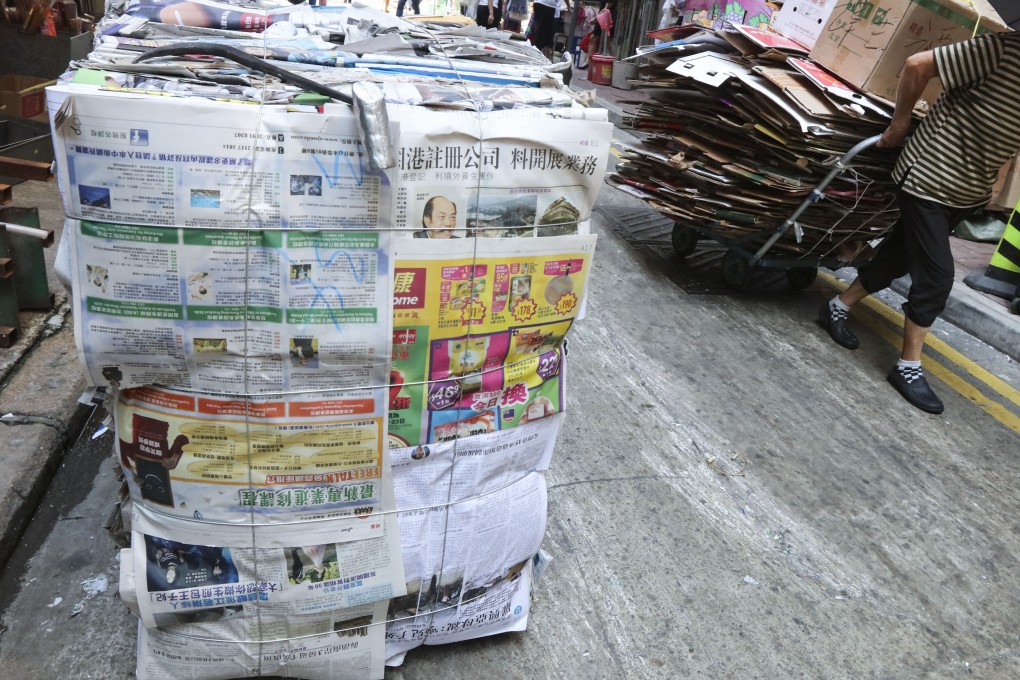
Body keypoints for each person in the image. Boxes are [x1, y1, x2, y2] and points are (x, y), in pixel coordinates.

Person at [817, 30, 1020, 414]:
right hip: (927, 177)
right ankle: (907, 365)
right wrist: (900, 123)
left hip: (966, 190)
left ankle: (838, 306)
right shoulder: (1001, 48)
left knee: (902, 256)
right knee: (938, 277)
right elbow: (917, 65)